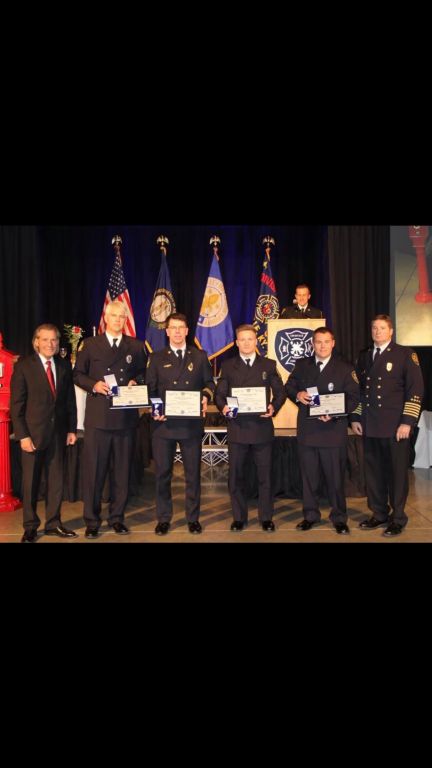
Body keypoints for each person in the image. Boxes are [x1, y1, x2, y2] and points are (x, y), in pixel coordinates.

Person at [73, 301, 146, 538]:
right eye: (114, 315)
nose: (118, 319)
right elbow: (77, 375)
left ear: (126, 319)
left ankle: (117, 518)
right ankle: (92, 521)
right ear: (105, 317)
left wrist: (136, 381)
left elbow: (142, 372)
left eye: (122, 316)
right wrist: (93, 384)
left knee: (122, 472)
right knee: (94, 472)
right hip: (98, 419)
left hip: (125, 419)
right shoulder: (90, 345)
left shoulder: (135, 346)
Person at [351, 314, 424, 537]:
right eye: (374, 328)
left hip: (395, 428)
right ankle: (379, 513)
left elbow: (416, 390)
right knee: (374, 473)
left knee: (396, 474)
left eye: (382, 328)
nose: (377, 332)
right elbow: (359, 392)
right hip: (370, 425)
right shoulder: (364, 356)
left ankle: (398, 517)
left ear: (391, 331)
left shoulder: (405, 354)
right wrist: (356, 417)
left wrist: (407, 422)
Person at [285, 327, 360, 534]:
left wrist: (336, 413)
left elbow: (354, 398)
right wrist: (297, 394)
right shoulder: (302, 365)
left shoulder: (345, 368)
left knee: (335, 479)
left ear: (333, 343)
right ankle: (310, 515)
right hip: (308, 433)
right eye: (318, 342)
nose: (322, 346)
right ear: (312, 344)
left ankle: (339, 517)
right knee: (309, 479)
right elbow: (289, 386)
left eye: (326, 342)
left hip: (333, 432)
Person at [146, 313, 215, 535]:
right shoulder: (156, 358)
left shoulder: (200, 356)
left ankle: (193, 518)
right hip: (163, 426)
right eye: (172, 328)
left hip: (190, 425)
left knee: (193, 474)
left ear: (187, 331)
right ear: (166, 332)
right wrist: (156, 409)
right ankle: (164, 518)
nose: (176, 331)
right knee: (163, 473)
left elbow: (209, 384)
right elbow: (151, 389)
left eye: (181, 327)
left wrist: (205, 396)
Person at [10, 324, 78, 542]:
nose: (51, 344)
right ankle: (30, 526)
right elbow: (17, 405)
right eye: (46, 340)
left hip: (58, 435)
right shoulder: (23, 366)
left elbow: (69, 401)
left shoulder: (64, 365)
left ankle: (53, 523)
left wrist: (71, 429)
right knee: (30, 482)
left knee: (56, 482)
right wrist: (23, 435)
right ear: (36, 342)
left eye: (55, 340)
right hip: (33, 436)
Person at [215, 324, 286, 531]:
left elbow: (280, 393)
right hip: (238, 429)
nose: (246, 343)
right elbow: (220, 394)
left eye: (250, 339)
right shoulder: (227, 366)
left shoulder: (269, 365)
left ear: (256, 341)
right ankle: (239, 517)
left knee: (265, 477)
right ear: (237, 343)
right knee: (236, 477)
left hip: (262, 428)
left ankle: (266, 518)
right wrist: (223, 407)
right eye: (242, 340)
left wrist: (274, 407)